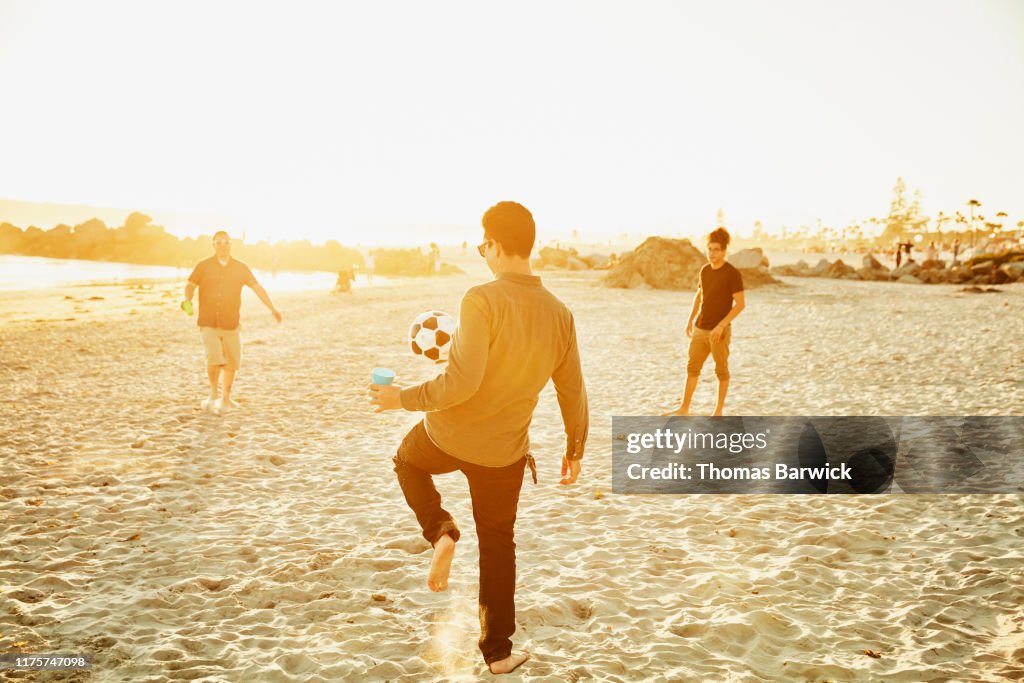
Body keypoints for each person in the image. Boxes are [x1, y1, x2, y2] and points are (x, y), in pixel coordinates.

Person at [369, 201, 588, 675]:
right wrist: (574, 449)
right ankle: (498, 653)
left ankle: (440, 531)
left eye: (482, 244)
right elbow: (572, 389)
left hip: (448, 435)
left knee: (407, 461)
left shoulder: (481, 299)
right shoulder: (560, 314)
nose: (482, 252)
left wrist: (399, 398)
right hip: (504, 453)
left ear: (493, 244)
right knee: (498, 544)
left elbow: (460, 384)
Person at [184, 231, 282, 414]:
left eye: (226, 242)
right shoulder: (203, 266)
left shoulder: (241, 268)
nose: (223, 245)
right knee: (214, 359)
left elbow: (257, 288)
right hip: (208, 321)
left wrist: (272, 308)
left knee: (231, 363)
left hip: (231, 323)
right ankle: (213, 396)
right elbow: (190, 285)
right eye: (219, 242)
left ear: (231, 245)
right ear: (213, 245)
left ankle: (226, 398)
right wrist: (188, 301)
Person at [663, 227, 745, 417]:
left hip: (719, 331)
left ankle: (718, 411)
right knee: (692, 368)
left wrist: (721, 325)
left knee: (721, 371)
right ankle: (684, 408)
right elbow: (699, 296)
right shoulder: (705, 271)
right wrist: (690, 320)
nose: (712, 253)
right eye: (709, 249)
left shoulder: (732, 274)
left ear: (724, 251)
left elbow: (740, 305)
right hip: (700, 328)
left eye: (716, 249)